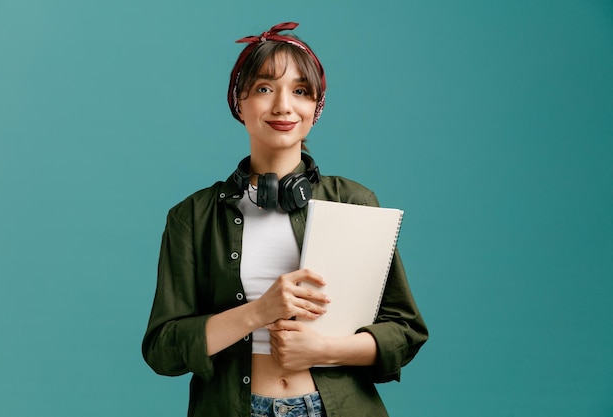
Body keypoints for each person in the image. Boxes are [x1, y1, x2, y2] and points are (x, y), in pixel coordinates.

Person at [142, 22, 428, 417]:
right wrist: (260, 312)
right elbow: (163, 349)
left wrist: (324, 349)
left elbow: (406, 331)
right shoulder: (193, 217)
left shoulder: (356, 202)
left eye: (300, 91)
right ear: (238, 103)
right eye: (264, 88)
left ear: (316, 108)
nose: (282, 106)